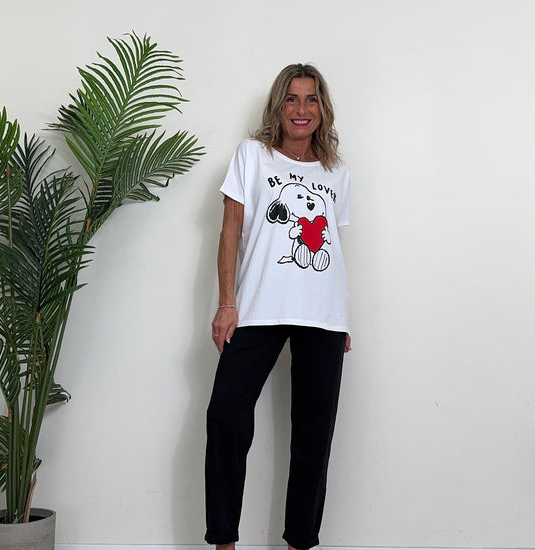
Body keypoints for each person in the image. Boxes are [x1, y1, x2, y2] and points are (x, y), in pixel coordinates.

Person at [205, 63, 352, 550]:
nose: (301, 109)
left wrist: (340, 318)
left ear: (322, 109)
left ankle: (298, 543)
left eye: (311, 99)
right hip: (257, 309)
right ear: (278, 105)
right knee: (226, 417)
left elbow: (333, 247)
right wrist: (227, 303)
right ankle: (224, 542)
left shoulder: (336, 171)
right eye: (292, 98)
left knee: (314, 432)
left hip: (322, 314)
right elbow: (230, 232)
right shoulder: (252, 155)